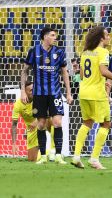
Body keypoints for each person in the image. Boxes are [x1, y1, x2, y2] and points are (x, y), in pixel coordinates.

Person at [71, 26, 112, 170]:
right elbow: (103, 71)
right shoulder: (103, 52)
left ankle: (76, 156)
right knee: (106, 124)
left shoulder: (85, 52)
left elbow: (83, 75)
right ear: (101, 38)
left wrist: (101, 83)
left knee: (87, 123)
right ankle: (94, 158)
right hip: (97, 94)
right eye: (107, 35)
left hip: (83, 92)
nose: (109, 37)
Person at [21, 27, 73, 164]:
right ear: (45, 37)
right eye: (52, 35)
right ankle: (43, 156)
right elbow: (25, 71)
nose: (55, 38)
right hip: (39, 95)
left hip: (55, 93)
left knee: (57, 122)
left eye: (55, 35)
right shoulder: (34, 51)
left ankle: (58, 155)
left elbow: (64, 72)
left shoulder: (59, 52)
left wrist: (68, 92)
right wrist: (22, 91)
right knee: (41, 124)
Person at [11, 82, 55, 162]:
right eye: (31, 90)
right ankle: (48, 153)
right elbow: (14, 125)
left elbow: (48, 112)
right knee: (32, 159)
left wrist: (36, 120)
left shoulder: (39, 98)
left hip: (42, 122)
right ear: (24, 92)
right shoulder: (18, 105)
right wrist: (14, 143)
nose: (33, 91)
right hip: (31, 129)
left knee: (52, 120)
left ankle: (54, 150)